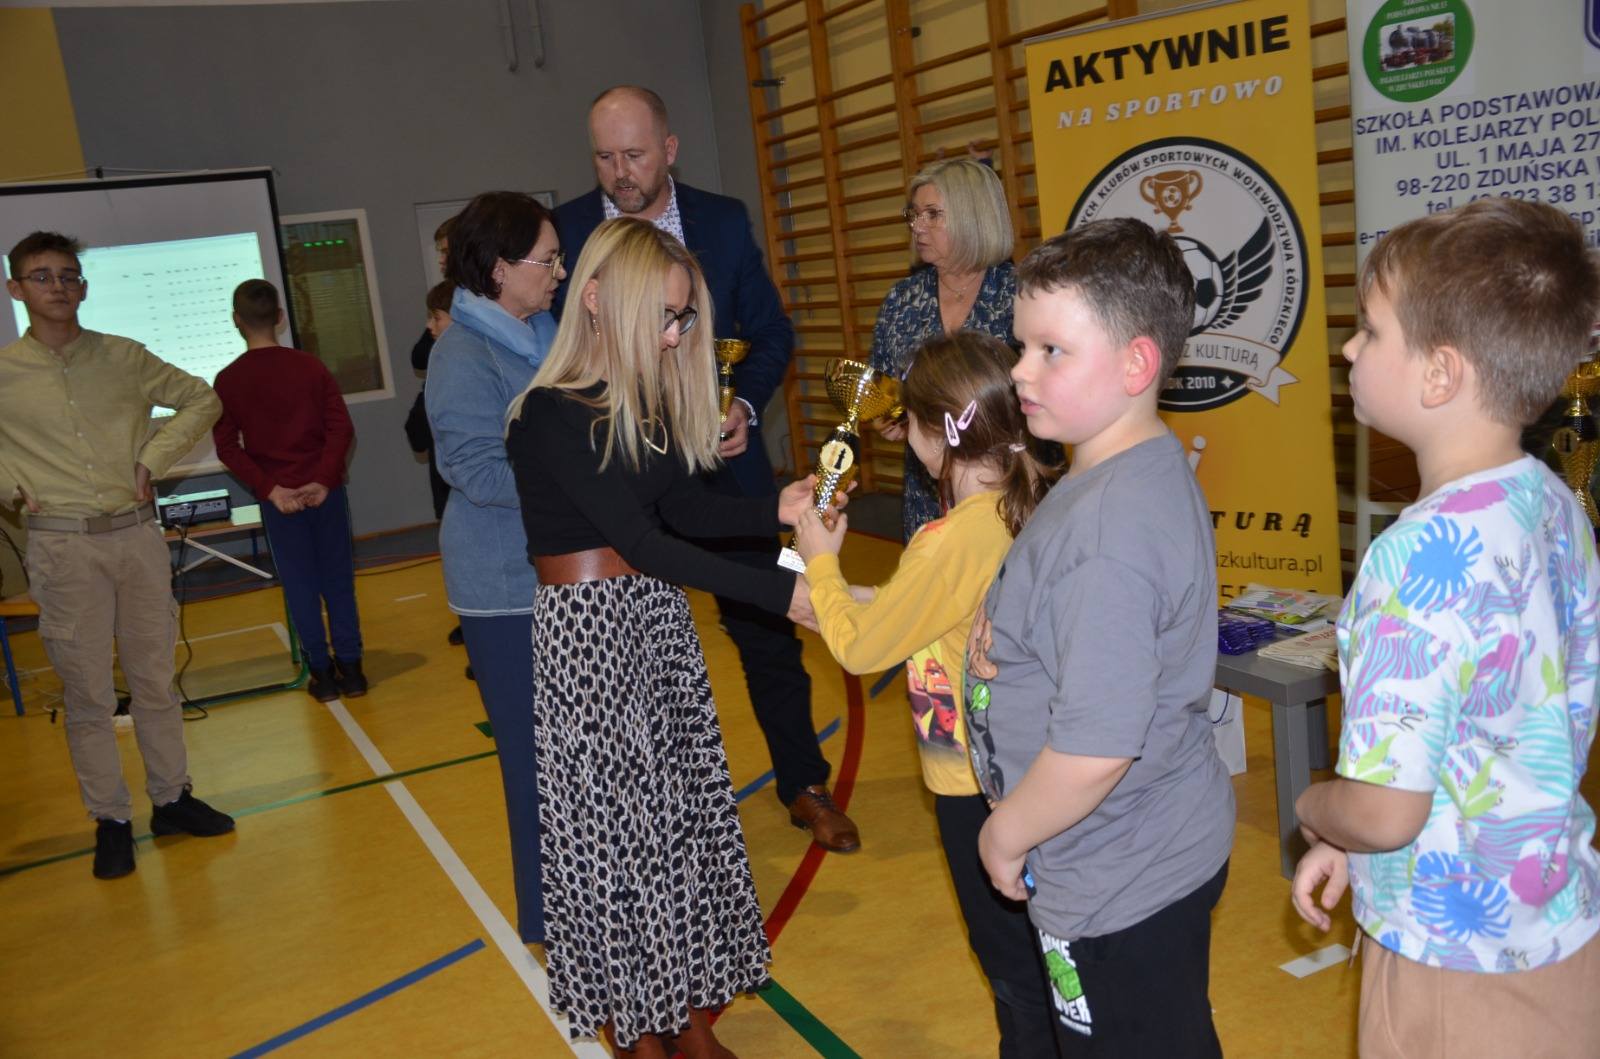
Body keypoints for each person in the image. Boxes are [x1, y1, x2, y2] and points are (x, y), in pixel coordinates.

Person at [506, 217, 836, 1058]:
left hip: (655, 622)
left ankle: (683, 1008)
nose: (675, 334)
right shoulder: (547, 413)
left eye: (683, 317)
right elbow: (643, 540)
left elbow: (680, 509)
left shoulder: (641, 403)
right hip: (591, 639)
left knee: (680, 823)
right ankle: (637, 1025)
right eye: (664, 315)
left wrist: (775, 508)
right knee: (618, 839)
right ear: (595, 298)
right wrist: (786, 595)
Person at [1291, 199, 1600, 1055]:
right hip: (1558, 921)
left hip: (1449, 963)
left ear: (1439, 375)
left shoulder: (1415, 556)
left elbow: (1385, 809)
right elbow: (1492, 735)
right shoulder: (1551, 500)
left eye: (1371, 330)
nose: (1349, 349)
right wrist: (1356, 848)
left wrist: (1317, 807)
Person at [553, 84, 859, 853]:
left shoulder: (721, 222)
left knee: (767, 636)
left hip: (726, 477)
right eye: (604, 157)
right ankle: (660, 819)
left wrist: (743, 407)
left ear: (670, 149)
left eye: (634, 154)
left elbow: (772, 332)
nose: (620, 173)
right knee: (636, 659)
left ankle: (804, 783)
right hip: (614, 480)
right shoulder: (571, 231)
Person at [965, 219, 1234, 1057]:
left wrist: (1003, 832)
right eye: (1021, 346)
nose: (1020, 370)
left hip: (1118, 875)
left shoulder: (1111, 531)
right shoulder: (1115, 464)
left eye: (1051, 350)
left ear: (1135, 365)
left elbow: (1094, 749)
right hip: (1129, 850)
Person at [792, 330, 1061, 1058]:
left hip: (972, 783)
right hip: (1028, 770)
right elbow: (931, 607)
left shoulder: (947, 538)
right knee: (1041, 958)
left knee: (1013, 969)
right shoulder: (1017, 503)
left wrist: (822, 564)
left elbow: (861, 648)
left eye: (909, 418)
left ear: (936, 431)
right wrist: (841, 595)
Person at [0, 230, 234, 880]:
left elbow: (203, 397)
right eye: (42, 276)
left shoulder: (125, 356)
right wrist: (10, 485)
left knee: (154, 677)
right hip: (63, 547)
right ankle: (110, 819)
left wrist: (153, 459)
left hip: (135, 536)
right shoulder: (5, 374)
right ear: (16, 289)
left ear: (83, 287)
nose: (58, 286)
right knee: (87, 693)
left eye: (68, 275)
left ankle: (172, 798)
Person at [425, 190, 562, 947]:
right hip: (504, 588)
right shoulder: (462, 354)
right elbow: (476, 472)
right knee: (532, 760)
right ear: (501, 268)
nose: (559, 272)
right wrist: (582, 483)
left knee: (575, 756)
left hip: (565, 570)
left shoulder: (545, 332)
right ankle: (549, 918)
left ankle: (590, 896)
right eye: (548, 259)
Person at [212, 278, 363, 702]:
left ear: (237, 321)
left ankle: (322, 674)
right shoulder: (310, 367)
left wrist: (270, 489)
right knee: (337, 579)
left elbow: (227, 447)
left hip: (279, 501)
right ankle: (352, 670)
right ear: (280, 317)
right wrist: (324, 479)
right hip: (325, 493)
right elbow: (341, 428)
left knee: (299, 584)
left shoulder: (228, 379)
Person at [869, 158, 1017, 541]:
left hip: (1010, 490)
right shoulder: (902, 299)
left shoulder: (1022, 293)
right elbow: (884, 386)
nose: (918, 227)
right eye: (914, 214)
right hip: (928, 495)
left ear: (972, 217)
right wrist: (888, 416)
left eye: (933, 214)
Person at [404, 279, 457, 524]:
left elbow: (418, 427)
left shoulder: (448, 368)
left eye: (436, 318)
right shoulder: (440, 361)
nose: (429, 325)